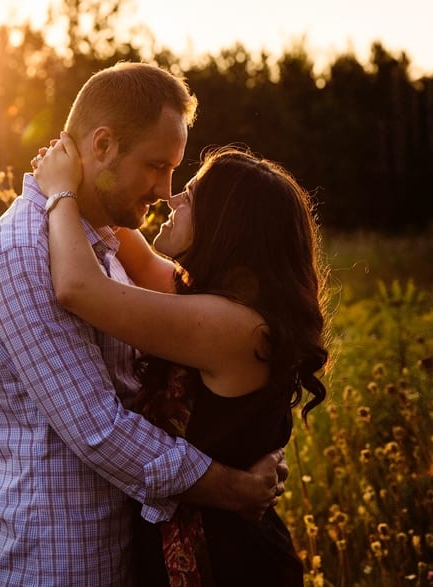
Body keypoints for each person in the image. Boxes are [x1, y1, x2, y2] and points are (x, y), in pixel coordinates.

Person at [0, 63, 287, 586]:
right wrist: (237, 486)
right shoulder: (23, 256)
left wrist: (261, 447)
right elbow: (99, 430)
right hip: (53, 567)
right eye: (157, 166)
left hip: (122, 556)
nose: (165, 190)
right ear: (103, 144)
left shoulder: (100, 249)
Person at [33, 132, 329, 585]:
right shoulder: (218, 302)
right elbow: (142, 258)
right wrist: (101, 171)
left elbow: (78, 288)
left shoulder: (233, 326)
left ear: (226, 225)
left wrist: (60, 192)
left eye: (188, 196)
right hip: (199, 548)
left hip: (230, 564)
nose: (168, 198)